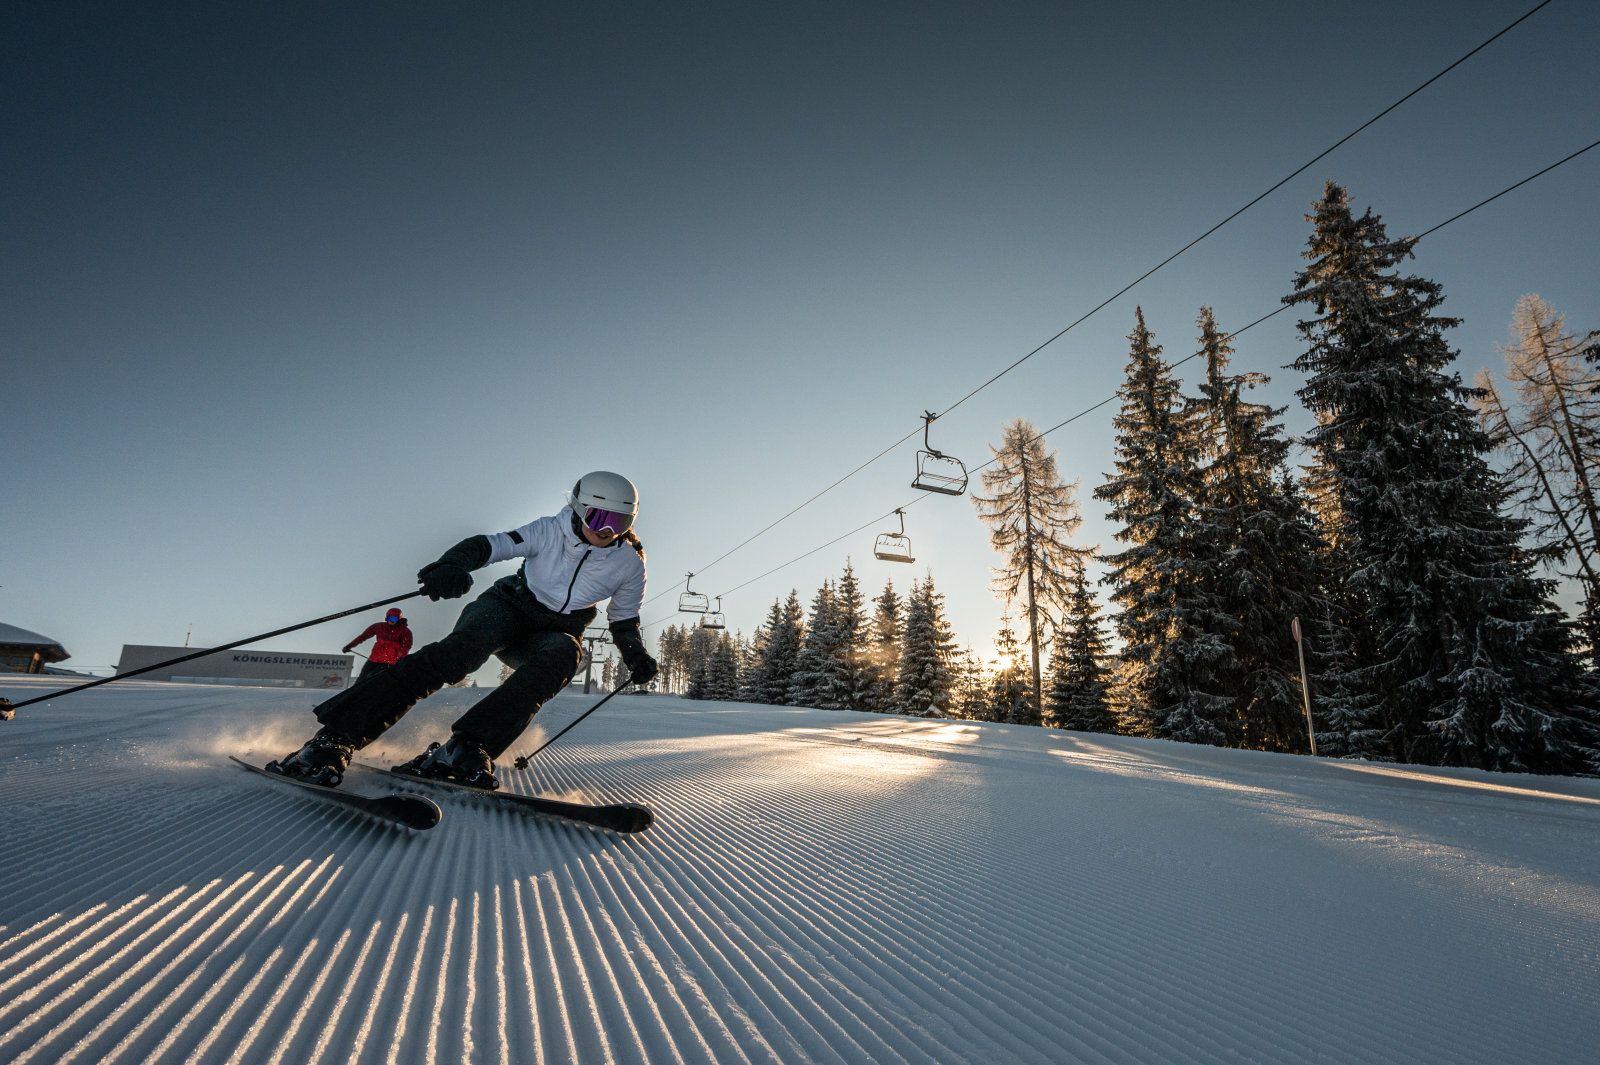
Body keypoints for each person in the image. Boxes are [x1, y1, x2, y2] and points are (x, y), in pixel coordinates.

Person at [268, 471, 659, 790]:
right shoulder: (548, 530)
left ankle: (468, 746)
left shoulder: (629, 564)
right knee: (459, 655)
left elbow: (624, 618)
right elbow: (490, 545)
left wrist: (636, 655)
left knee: (566, 654)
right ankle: (335, 738)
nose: (607, 531)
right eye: (598, 519)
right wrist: (452, 565)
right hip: (508, 607)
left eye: (620, 522)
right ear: (577, 509)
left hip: (554, 631)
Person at [343, 608, 413, 681]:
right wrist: (350, 645)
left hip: (390, 662)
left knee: (375, 679)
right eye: (390, 618)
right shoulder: (379, 627)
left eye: (394, 619)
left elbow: (406, 647)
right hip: (374, 659)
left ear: (399, 619)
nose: (391, 621)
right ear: (386, 618)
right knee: (362, 679)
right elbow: (363, 636)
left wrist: (400, 658)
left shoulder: (405, 631)